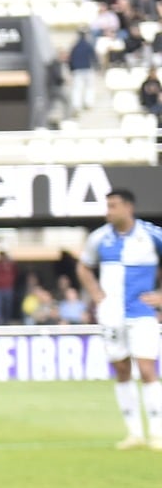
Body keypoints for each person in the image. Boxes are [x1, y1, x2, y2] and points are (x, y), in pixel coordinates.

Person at [76, 188, 162, 450]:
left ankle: (157, 433)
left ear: (128, 208)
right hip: (111, 314)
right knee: (122, 369)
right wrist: (96, 295)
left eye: (113, 206)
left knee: (147, 369)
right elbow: (83, 266)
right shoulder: (99, 238)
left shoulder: (151, 234)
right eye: (107, 206)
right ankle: (134, 433)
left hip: (142, 314)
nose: (108, 211)